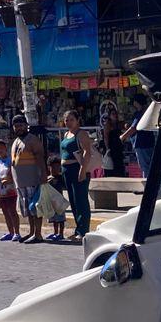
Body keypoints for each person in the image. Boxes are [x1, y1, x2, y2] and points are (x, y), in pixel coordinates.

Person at [58, 110, 97, 240]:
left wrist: (82, 169)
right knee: (73, 201)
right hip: (66, 170)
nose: (68, 122)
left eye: (71, 120)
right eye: (66, 120)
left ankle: (83, 230)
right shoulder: (66, 134)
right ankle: (78, 229)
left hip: (77, 168)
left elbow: (87, 152)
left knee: (81, 200)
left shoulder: (81, 134)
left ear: (77, 120)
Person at [9, 114, 46, 243]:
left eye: (20, 125)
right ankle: (31, 232)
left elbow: (40, 159)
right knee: (27, 210)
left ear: (26, 125)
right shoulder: (16, 142)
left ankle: (38, 234)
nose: (18, 128)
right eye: (16, 126)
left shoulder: (33, 140)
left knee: (34, 208)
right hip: (21, 183)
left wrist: (43, 176)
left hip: (32, 180)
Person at [0, 140, 21, 241]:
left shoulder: (10, 160)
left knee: (12, 211)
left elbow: (14, 173)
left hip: (10, 190)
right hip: (1, 191)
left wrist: (9, 179)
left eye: (1, 148)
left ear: (6, 149)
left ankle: (17, 232)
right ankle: (10, 232)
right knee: (5, 212)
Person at [124, 95, 156, 177]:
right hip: (150, 142)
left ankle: (147, 186)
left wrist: (122, 137)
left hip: (141, 143)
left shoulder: (140, 113)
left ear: (137, 103)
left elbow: (134, 128)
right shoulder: (148, 112)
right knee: (152, 166)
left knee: (145, 167)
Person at [42, 156, 69, 241]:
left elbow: (65, 185)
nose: (55, 169)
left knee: (60, 218)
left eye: (57, 167)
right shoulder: (48, 178)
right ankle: (55, 232)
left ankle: (61, 233)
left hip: (59, 201)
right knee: (53, 218)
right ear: (49, 167)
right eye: (53, 167)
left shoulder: (60, 178)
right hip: (51, 201)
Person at [103, 103, 128, 177]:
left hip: (118, 147)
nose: (115, 115)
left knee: (119, 164)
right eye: (113, 114)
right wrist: (108, 149)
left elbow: (125, 128)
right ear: (109, 115)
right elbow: (106, 137)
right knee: (112, 165)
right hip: (112, 147)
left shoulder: (119, 124)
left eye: (116, 114)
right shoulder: (108, 124)